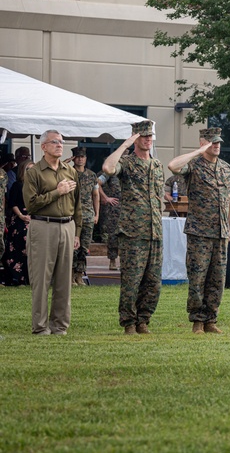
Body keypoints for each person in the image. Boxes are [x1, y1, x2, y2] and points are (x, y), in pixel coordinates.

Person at [168, 127, 230, 334]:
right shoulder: (194, 166)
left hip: (221, 232)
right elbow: (172, 166)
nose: (217, 145)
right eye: (212, 142)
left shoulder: (226, 168)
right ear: (203, 143)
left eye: (218, 142)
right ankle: (197, 320)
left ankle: (211, 320)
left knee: (218, 279)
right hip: (200, 232)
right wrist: (198, 152)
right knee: (198, 278)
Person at [103, 120, 165, 335]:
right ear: (135, 138)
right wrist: (124, 144)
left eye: (150, 136)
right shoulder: (127, 163)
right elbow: (108, 168)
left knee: (153, 282)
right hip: (132, 232)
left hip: (154, 231)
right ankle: (129, 322)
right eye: (143, 136)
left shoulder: (157, 165)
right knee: (132, 280)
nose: (148, 140)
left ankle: (143, 320)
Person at [23, 130, 82, 335]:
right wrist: (58, 192)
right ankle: (40, 327)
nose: (60, 145)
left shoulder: (70, 171)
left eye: (61, 142)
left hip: (67, 226)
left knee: (64, 280)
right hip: (43, 226)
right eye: (55, 142)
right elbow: (30, 205)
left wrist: (77, 232)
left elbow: (78, 205)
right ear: (44, 147)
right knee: (41, 279)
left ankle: (60, 326)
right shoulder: (34, 172)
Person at [70, 146, 101, 286]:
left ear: (86, 158)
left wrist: (97, 214)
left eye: (82, 157)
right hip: (72, 215)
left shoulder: (91, 175)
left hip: (88, 215)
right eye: (77, 157)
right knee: (72, 247)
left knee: (84, 247)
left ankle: (79, 275)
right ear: (73, 158)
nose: (80, 159)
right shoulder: (68, 173)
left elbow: (96, 195)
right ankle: (70, 275)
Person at [1, 159, 33, 285]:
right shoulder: (17, 185)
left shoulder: (38, 186)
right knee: (18, 249)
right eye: (28, 169)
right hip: (20, 220)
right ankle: (17, 277)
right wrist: (21, 215)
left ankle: (30, 277)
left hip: (34, 220)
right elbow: (12, 203)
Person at [98, 173, 122, 270]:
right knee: (113, 235)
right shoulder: (111, 172)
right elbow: (97, 183)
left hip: (130, 209)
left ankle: (126, 262)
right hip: (114, 209)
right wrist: (105, 198)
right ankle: (112, 260)